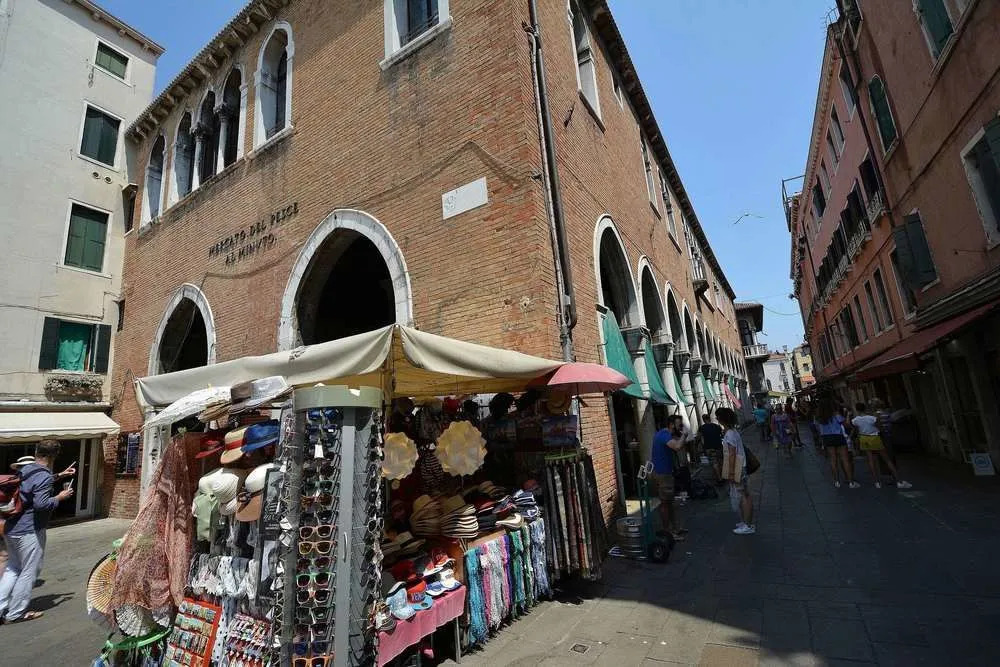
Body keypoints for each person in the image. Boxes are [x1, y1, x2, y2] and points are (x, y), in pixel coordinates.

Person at [0, 440, 75, 624]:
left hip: (11, 527)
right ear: (53, 456)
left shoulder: (25, 469)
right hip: (29, 530)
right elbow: (41, 504)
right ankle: (16, 613)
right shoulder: (44, 475)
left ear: (36, 452)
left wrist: (60, 475)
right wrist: (60, 497)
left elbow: (32, 486)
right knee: (29, 571)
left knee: (12, 568)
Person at [851, 403, 912, 489]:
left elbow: (854, 427)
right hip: (874, 437)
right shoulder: (872, 418)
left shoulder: (855, 420)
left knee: (870, 460)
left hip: (864, 438)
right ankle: (899, 481)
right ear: (865, 408)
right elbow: (880, 427)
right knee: (887, 459)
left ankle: (877, 482)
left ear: (857, 410)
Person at [716, 407, 754, 535]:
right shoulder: (733, 432)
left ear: (722, 419)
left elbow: (732, 454)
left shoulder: (729, 434)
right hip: (740, 465)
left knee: (743, 495)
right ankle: (746, 522)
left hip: (737, 467)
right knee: (744, 494)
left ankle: (747, 525)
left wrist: (731, 473)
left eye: (718, 417)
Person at [651, 422, 686, 541]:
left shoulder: (664, 435)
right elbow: (677, 447)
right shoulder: (664, 435)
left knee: (669, 502)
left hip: (665, 473)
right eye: (679, 425)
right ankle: (668, 532)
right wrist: (684, 435)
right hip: (663, 474)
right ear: (671, 425)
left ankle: (675, 528)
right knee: (665, 503)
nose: (680, 427)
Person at [815, 401, 858, 489]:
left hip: (827, 438)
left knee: (833, 460)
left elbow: (819, 430)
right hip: (838, 436)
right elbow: (846, 425)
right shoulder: (836, 415)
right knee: (845, 459)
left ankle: (836, 481)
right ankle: (851, 482)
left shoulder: (819, 418)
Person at [697, 412, 724, 484]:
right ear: (710, 419)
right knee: (720, 461)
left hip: (709, 448)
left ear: (703, 420)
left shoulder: (702, 428)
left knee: (714, 463)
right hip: (719, 446)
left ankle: (719, 479)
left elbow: (698, 437)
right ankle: (723, 476)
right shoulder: (717, 426)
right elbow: (722, 435)